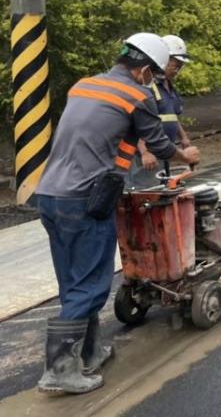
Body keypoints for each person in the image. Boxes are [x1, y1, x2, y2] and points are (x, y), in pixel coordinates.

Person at [34, 33, 200, 394]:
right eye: (153, 75)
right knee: (92, 285)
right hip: (85, 201)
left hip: (49, 196)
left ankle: (90, 352)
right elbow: (157, 144)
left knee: (72, 282)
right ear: (142, 70)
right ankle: (59, 371)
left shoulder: (84, 85)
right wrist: (185, 155)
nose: (153, 81)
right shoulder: (137, 94)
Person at [138, 35, 192, 173]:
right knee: (148, 192)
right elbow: (138, 122)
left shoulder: (170, 88)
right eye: (175, 65)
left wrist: (183, 137)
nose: (176, 70)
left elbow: (171, 115)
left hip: (165, 151)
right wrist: (144, 152)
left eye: (179, 67)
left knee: (164, 187)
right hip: (146, 158)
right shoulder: (147, 87)